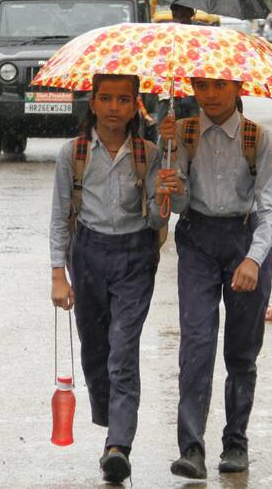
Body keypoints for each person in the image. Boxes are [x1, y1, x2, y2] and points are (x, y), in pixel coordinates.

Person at [50, 73, 183, 484]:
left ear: (134, 105)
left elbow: (160, 216)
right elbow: (59, 217)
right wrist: (59, 274)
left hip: (134, 257)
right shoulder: (72, 154)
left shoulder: (151, 153)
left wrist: (165, 191)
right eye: (105, 98)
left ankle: (118, 445)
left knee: (123, 350)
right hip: (87, 255)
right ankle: (111, 419)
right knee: (96, 350)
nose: (113, 107)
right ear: (92, 102)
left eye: (123, 100)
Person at [159, 77, 272, 479]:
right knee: (196, 342)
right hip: (197, 240)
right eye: (201, 86)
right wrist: (170, 169)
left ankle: (235, 442)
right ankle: (191, 447)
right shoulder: (183, 132)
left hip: (245, 240)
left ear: (236, 86)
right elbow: (177, 205)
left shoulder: (256, 138)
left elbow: (270, 209)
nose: (209, 95)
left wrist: (253, 259)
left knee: (241, 350)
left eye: (218, 87)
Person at [154, 3, 201, 125]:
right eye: (176, 16)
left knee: (192, 135)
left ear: (191, 16)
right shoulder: (164, 37)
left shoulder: (199, 38)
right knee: (165, 134)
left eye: (183, 16)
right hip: (168, 95)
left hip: (191, 96)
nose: (179, 20)